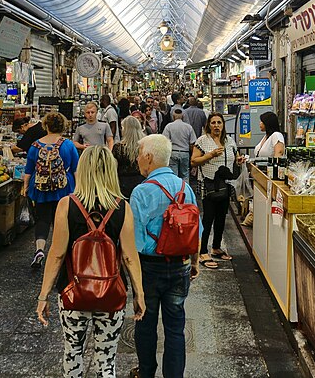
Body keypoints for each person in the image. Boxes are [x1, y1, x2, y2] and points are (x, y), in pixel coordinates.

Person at [36, 146, 145, 378]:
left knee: (72, 353)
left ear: (83, 170)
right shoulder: (121, 207)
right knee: (106, 357)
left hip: (72, 292)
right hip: (112, 293)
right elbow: (128, 256)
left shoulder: (67, 204)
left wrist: (43, 295)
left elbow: (56, 254)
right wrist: (139, 294)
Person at [129, 135, 200, 378]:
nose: (137, 158)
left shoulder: (141, 192)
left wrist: (132, 276)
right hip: (180, 265)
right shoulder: (184, 187)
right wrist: (195, 262)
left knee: (145, 324)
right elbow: (195, 230)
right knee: (175, 327)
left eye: (139, 153)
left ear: (148, 157)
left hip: (149, 268)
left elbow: (135, 242)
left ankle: (146, 372)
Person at [24, 112, 80, 269]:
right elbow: (75, 169)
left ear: (45, 126)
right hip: (63, 188)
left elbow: (29, 170)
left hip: (40, 189)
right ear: (63, 126)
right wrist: (79, 188)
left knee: (42, 219)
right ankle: (60, 253)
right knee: (61, 222)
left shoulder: (35, 145)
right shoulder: (68, 145)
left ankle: (40, 250)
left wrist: (26, 188)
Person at [191, 112, 245, 270]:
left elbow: (235, 156)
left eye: (219, 123)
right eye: (213, 123)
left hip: (225, 184)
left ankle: (216, 247)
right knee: (208, 218)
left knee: (221, 217)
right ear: (208, 125)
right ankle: (202, 252)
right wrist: (210, 155)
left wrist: (238, 160)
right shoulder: (202, 141)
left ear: (223, 125)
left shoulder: (229, 141)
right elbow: (194, 161)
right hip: (208, 186)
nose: (216, 126)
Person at [113, 116, 146, 198]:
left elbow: (113, 168)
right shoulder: (145, 146)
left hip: (123, 184)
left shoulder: (118, 148)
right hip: (142, 182)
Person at [162, 108, 196, 180]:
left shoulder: (169, 126)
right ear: (183, 116)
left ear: (173, 117)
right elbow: (192, 143)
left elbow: (165, 141)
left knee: (173, 175)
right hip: (185, 153)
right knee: (185, 175)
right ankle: (185, 190)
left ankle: (175, 190)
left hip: (173, 152)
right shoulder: (188, 127)